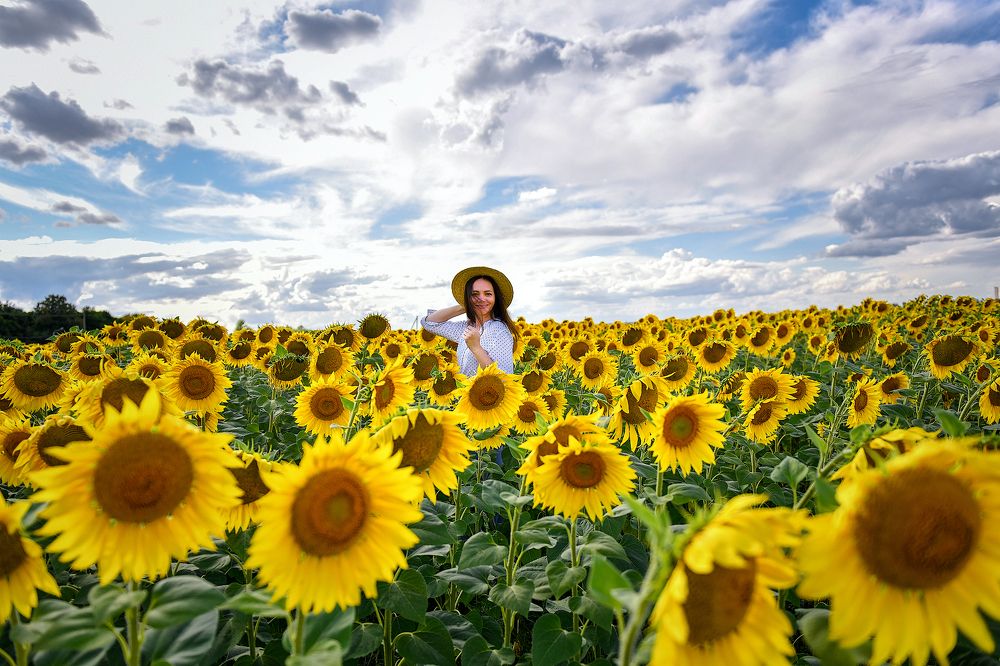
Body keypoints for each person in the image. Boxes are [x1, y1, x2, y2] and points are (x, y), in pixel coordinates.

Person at [420, 266, 518, 376]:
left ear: (496, 298)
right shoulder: (466, 327)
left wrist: (476, 347)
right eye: (475, 294)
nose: (481, 298)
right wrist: (465, 305)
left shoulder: (499, 331)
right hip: (466, 392)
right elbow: (429, 323)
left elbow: (505, 379)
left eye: (488, 294)